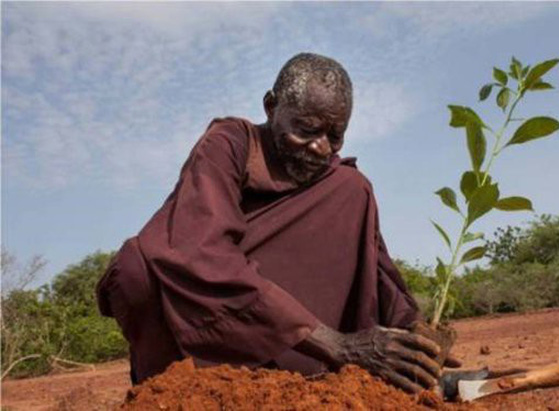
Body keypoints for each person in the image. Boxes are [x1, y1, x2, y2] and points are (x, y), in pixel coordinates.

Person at [96, 53, 459, 394]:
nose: (320, 148)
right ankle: (176, 389)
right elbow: (198, 251)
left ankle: (325, 376)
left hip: (288, 338)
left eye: (334, 136)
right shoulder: (228, 145)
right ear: (271, 107)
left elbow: (377, 269)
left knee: (352, 188)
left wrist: (416, 339)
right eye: (306, 129)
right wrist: (338, 345)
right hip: (207, 324)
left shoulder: (339, 184)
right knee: (137, 266)